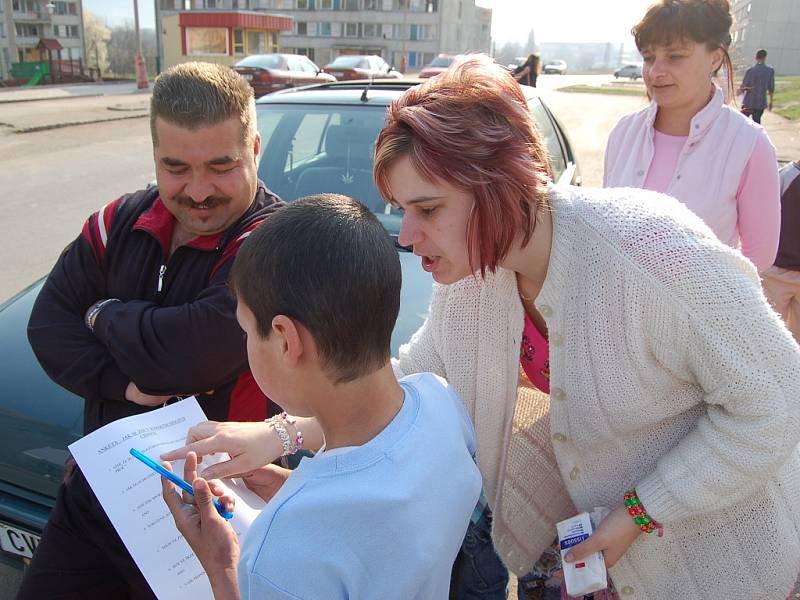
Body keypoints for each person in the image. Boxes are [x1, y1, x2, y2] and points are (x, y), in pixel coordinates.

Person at [167, 55, 800, 600]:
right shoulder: (476, 278)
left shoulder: (652, 250)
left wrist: (639, 513)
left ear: (497, 184)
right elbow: (413, 373)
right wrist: (277, 436)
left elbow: (776, 403)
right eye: (400, 213)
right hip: (599, 556)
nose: (408, 239)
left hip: (716, 558)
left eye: (428, 209)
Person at [18, 62, 283, 599]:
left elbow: (184, 354)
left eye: (221, 165)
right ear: (155, 158)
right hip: (97, 492)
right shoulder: (118, 220)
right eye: (176, 167)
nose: (199, 190)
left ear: (254, 149)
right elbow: (46, 326)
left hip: (211, 517)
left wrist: (100, 312)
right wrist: (122, 383)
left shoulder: (277, 243)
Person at [161, 194, 482, 599]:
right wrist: (299, 491)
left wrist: (223, 568)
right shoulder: (439, 401)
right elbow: (380, 517)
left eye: (246, 331)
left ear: (284, 339)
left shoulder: (277, 553)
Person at [603, 0, 780, 272]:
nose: (656, 71)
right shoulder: (624, 133)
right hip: (617, 309)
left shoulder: (748, 144)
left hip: (702, 311)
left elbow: (758, 257)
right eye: (649, 57)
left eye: (675, 56)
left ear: (715, 58)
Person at [762, 159, 800, 343]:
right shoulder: (787, 176)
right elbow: (765, 217)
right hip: (776, 270)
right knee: (770, 330)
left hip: (778, 269)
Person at [739, 48, 775, 124]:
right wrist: (771, 102)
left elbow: (743, 87)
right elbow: (771, 88)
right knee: (757, 122)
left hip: (748, 101)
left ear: (756, 57)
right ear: (765, 57)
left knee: (743, 123)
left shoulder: (750, 71)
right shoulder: (770, 71)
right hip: (760, 102)